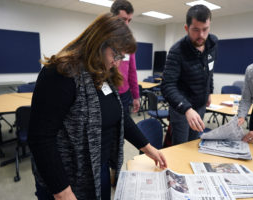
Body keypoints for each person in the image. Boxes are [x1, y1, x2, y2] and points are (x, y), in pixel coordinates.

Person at [28, 13, 167, 200]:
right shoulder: (60, 73)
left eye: (121, 57)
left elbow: (120, 116)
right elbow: (40, 138)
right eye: (115, 54)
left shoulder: (102, 72)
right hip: (65, 180)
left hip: (96, 170)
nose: (116, 63)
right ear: (98, 43)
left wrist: (149, 149)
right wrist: (63, 193)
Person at [161, 5, 218, 145]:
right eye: (196, 30)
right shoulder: (177, 51)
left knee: (193, 144)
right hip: (182, 110)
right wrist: (186, 109)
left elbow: (209, 71)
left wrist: (209, 92)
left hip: (200, 104)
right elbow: (167, 86)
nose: (201, 35)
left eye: (205, 29)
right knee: (180, 147)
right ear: (187, 28)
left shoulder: (212, 43)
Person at [110, 0, 140, 114]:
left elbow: (132, 71)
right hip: (107, 93)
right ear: (112, 18)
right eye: (123, 19)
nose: (126, 24)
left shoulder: (128, 43)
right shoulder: (102, 40)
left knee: (124, 129)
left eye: (129, 20)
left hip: (125, 95)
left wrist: (136, 96)